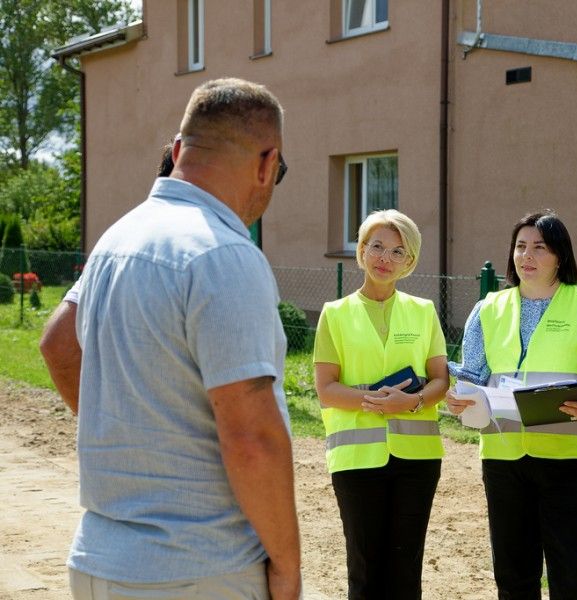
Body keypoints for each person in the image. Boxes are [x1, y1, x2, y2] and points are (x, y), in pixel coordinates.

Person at [43, 78, 301, 600]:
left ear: (179, 150)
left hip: (101, 557)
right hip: (198, 566)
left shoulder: (119, 236)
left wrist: (139, 433)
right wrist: (287, 566)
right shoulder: (225, 254)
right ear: (266, 162)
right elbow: (252, 437)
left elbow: (58, 344)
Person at [446, 210, 577, 600]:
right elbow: (472, 374)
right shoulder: (487, 309)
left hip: (567, 462)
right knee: (512, 575)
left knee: (571, 575)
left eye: (540, 247)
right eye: (521, 246)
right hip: (503, 461)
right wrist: (460, 397)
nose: (528, 255)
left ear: (560, 256)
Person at [313, 209, 449, 600]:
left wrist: (412, 402)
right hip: (356, 460)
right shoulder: (334, 314)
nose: (385, 259)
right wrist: (378, 402)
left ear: (410, 261)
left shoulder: (423, 311)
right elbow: (326, 389)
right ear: (361, 250)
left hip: (418, 459)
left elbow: (440, 379)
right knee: (365, 569)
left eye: (397, 251)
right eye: (377, 247)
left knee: (406, 571)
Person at [41, 141, 177, 414]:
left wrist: (100, 424)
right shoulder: (204, 246)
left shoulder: (118, 237)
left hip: (116, 449)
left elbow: (57, 344)